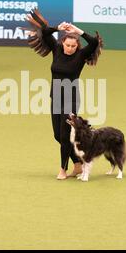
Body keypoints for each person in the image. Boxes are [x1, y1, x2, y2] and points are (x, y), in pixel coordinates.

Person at [25, 10, 102, 180]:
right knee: (58, 136)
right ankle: (79, 163)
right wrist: (57, 28)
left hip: (71, 100)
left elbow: (95, 42)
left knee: (66, 135)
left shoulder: (81, 55)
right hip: (56, 97)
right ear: (63, 43)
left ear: (77, 46)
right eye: (68, 45)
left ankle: (62, 169)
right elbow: (44, 33)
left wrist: (78, 30)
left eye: (73, 46)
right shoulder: (57, 49)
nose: (70, 48)